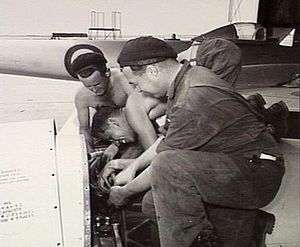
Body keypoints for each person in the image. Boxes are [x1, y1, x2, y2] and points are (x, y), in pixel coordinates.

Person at [101, 37, 285, 247]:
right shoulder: (188, 78)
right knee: (152, 204)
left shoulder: (192, 97)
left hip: (258, 175)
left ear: (152, 71)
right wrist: (132, 165)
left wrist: (124, 193)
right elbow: (167, 141)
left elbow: (166, 163)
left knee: (168, 167)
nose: (139, 91)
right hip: (237, 162)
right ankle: (244, 226)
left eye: (136, 84)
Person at [71, 51, 166, 159]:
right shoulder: (82, 97)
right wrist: (89, 154)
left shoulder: (123, 79)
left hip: (139, 122)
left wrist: (116, 145)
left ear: (107, 73)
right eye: (88, 86)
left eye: (97, 84)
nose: (94, 90)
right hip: (112, 131)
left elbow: (141, 111)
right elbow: (84, 129)